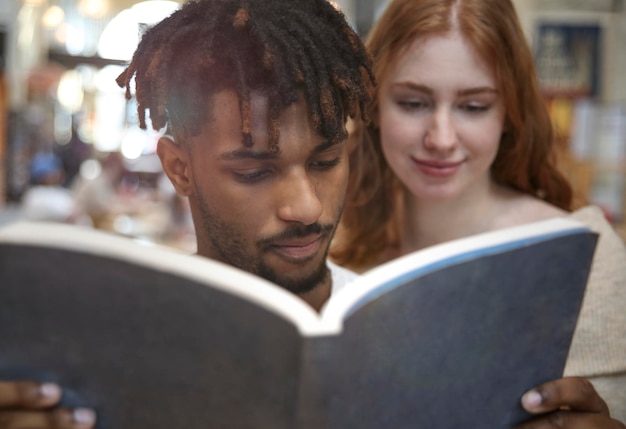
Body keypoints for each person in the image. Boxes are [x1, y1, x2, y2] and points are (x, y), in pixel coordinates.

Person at [1, 0, 622, 428]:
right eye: (253, 170)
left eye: (327, 160)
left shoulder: (394, 318)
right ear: (178, 166)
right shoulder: (101, 345)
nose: (306, 208)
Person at [330, 0, 626, 424]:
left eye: (473, 107)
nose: (442, 138)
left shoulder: (586, 257)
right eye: (413, 103)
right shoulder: (332, 242)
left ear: (509, 112)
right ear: (373, 105)